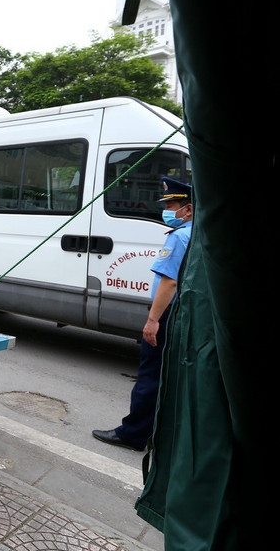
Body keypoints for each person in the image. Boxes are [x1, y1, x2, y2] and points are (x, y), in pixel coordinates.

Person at [93, 177, 193, 451]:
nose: (167, 210)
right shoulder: (197, 233)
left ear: (189, 209)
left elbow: (169, 282)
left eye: (172, 205)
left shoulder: (180, 236)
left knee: (150, 377)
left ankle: (133, 434)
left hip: (168, 314)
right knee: (171, 376)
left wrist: (152, 320)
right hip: (184, 314)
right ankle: (162, 434)